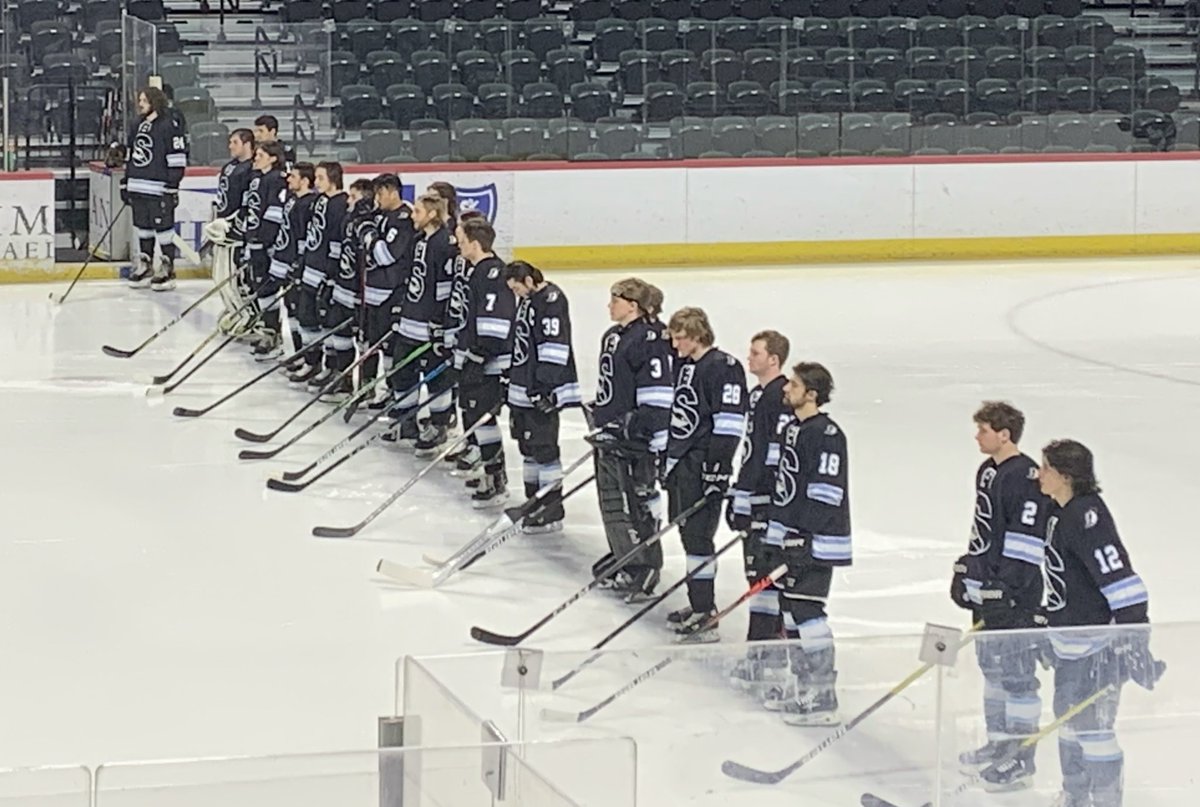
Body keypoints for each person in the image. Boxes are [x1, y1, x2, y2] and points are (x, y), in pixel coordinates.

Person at [1037, 439, 1160, 807]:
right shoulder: (1058, 511)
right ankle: (1075, 796)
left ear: (1065, 476)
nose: (1038, 474)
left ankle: (1104, 802)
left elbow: (1122, 583)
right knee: (1069, 726)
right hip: (1068, 647)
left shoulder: (1086, 516)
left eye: (1045, 468)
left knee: (1093, 731)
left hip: (1095, 651)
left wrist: (1132, 641)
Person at [950, 402, 1051, 789]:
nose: (978, 436)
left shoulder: (1024, 475)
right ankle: (1000, 743)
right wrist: (968, 570)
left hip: (1015, 594)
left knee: (1018, 678)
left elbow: (1026, 540)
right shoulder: (988, 470)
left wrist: (1007, 587)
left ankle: (1020, 759)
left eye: (984, 430)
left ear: (1004, 434)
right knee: (992, 671)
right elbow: (985, 531)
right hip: (988, 589)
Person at [761, 362, 850, 726]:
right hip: (791, 536)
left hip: (817, 542)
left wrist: (803, 534)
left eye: (794, 385)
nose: (786, 389)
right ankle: (804, 687)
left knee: (808, 613)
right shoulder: (795, 430)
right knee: (790, 612)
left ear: (811, 394)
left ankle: (823, 696)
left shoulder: (827, 433)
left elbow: (826, 491)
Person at [660, 307, 747, 641]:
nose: (675, 344)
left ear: (697, 336)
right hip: (683, 464)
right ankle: (698, 604)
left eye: (681, 338)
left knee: (699, 537)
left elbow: (728, 424)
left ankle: (706, 611)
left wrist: (717, 469)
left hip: (703, 466)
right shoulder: (686, 365)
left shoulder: (723, 368)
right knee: (687, 535)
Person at [590, 278, 674, 602]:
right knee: (612, 502)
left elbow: (655, 396)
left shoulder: (650, 339)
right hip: (612, 436)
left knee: (637, 502)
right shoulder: (614, 337)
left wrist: (638, 427)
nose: (609, 305)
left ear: (633, 305)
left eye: (615, 299)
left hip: (637, 441)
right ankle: (625, 554)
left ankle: (648, 564)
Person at [727, 330, 792, 684]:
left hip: (766, 503)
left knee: (765, 577)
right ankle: (765, 648)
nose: (749, 358)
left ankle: (768, 649)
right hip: (754, 495)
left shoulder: (779, 397)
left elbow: (773, 457)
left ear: (774, 359)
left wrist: (754, 497)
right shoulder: (758, 394)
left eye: (756, 353)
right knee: (758, 576)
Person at [504, 260, 581, 533]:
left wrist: (543, 387)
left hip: (540, 391)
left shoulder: (550, 300)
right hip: (524, 388)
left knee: (545, 450)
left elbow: (554, 346)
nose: (516, 294)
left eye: (517, 288)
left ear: (528, 280)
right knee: (528, 449)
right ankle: (532, 503)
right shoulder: (528, 299)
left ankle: (550, 510)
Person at [121, 85, 187, 291]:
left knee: (164, 229)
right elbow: (131, 155)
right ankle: (145, 265)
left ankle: (168, 267)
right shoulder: (136, 124)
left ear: (154, 102)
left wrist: (172, 186)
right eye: (139, 100)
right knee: (143, 227)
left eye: (144, 100)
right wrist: (125, 181)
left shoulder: (169, 125)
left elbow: (177, 157)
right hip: (138, 185)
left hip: (159, 188)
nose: (139, 104)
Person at [356, 173, 413, 404]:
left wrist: (368, 235)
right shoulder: (379, 215)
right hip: (371, 292)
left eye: (381, 193)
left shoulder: (403, 219)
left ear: (393, 191)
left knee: (389, 349)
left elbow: (385, 255)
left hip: (392, 294)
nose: (377, 199)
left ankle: (391, 389)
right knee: (367, 344)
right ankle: (366, 387)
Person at [288, 161, 347, 386]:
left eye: (321, 178)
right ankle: (311, 361)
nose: (317, 182)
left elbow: (336, 243)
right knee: (307, 317)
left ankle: (331, 368)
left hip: (324, 272)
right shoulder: (320, 201)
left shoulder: (340, 205)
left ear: (333, 178)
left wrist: (331, 275)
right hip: (310, 268)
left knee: (326, 322)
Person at [321, 177, 375, 402]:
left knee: (365, 342)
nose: (349, 201)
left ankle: (366, 387)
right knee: (339, 335)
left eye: (354, 197)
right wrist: (330, 279)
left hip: (360, 294)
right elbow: (338, 252)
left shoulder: (371, 224)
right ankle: (344, 381)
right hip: (341, 289)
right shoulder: (347, 220)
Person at [205, 128, 255, 331]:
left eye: (234, 142)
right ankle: (232, 308)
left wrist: (236, 225)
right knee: (219, 276)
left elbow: (248, 205)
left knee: (233, 276)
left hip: (235, 233)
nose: (230, 146)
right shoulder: (228, 167)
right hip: (222, 229)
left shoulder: (251, 170)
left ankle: (246, 313)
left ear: (247, 144)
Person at [242, 141, 289, 356]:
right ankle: (269, 329)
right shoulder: (258, 178)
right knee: (261, 289)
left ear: (273, 158)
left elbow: (275, 214)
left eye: (260, 154)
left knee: (268, 288)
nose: (255, 157)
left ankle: (273, 334)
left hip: (269, 246)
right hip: (256, 242)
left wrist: (263, 241)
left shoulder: (277, 179)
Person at [269, 162, 317, 365]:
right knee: (290, 311)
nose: (288, 179)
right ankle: (298, 355)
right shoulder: (292, 200)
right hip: (286, 264)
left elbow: (307, 239)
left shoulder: (309, 204)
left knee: (302, 313)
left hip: (299, 267)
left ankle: (309, 359)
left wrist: (299, 262)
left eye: (294, 176)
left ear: (305, 181)